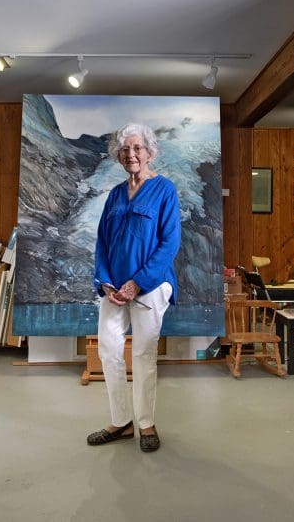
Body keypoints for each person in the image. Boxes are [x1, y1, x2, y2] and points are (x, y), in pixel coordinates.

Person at [86, 123, 181, 453]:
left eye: (137, 148)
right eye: (125, 149)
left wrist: (137, 282)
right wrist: (106, 281)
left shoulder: (165, 190)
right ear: (119, 155)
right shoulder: (114, 195)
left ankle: (146, 423)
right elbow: (102, 242)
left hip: (150, 286)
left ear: (150, 152)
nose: (131, 154)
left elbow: (170, 243)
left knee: (143, 353)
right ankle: (122, 421)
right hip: (114, 288)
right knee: (108, 350)